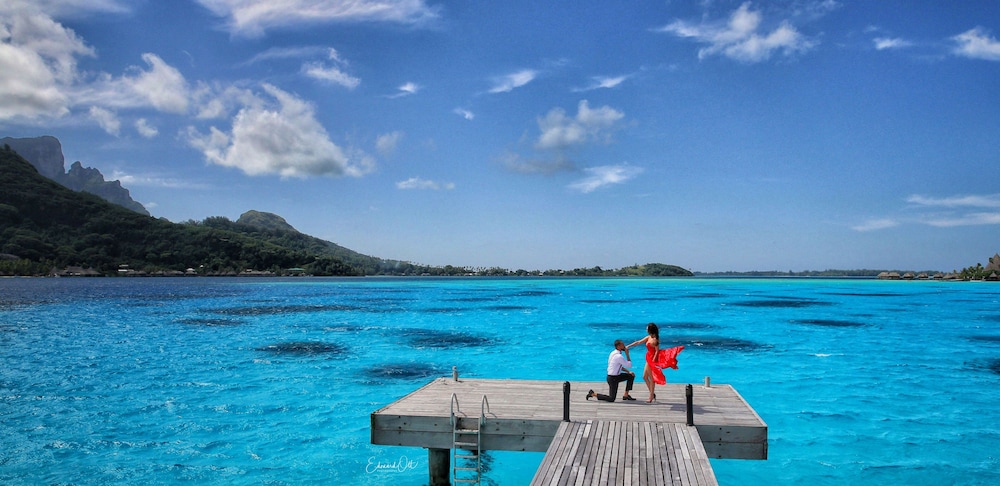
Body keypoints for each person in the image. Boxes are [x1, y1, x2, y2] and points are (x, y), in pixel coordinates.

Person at [627, 323, 683, 403]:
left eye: (647, 328)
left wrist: (653, 361)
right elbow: (639, 342)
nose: (646, 330)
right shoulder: (648, 337)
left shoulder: (655, 339)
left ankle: (651, 396)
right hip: (648, 357)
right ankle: (652, 394)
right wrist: (629, 346)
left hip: (653, 359)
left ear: (650, 330)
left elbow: (657, 351)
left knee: (651, 378)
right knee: (644, 377)